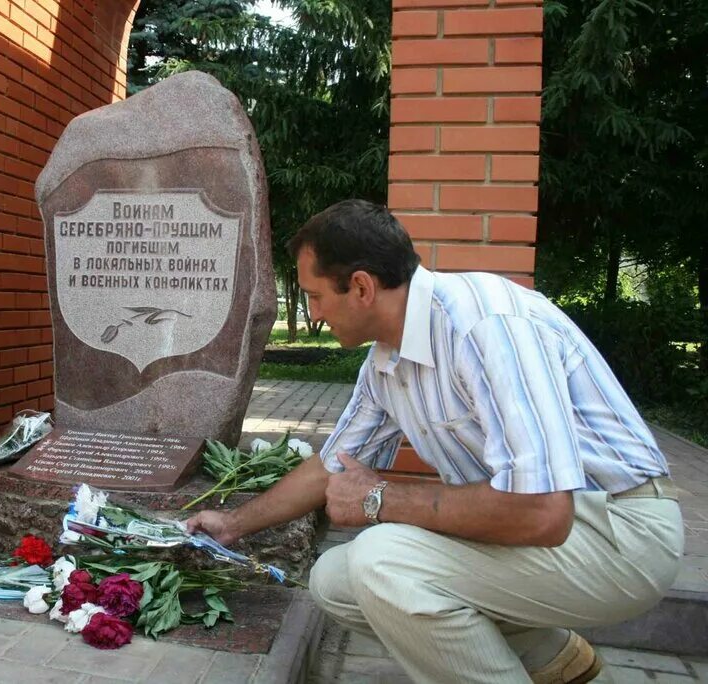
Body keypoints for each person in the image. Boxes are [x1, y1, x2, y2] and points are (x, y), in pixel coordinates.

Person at [187, 200, 683, 683]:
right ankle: (549, 655)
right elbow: (332, 468)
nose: (313, 313)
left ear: (360, 287)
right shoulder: (386, 362)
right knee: (336, 580)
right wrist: (232, 524)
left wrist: (380, 500)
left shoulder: (484, 328)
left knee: (381, 561)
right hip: (548, 530)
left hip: (618, 530)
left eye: (315, 296)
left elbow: (543, 512)